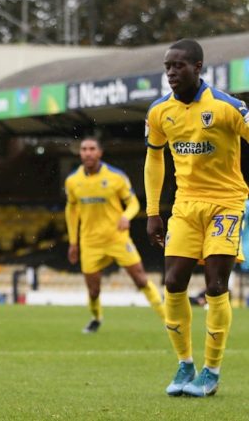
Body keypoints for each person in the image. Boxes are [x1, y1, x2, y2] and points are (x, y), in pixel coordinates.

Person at [145, 38, 248, 397]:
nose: (171, 72)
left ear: (198, 67)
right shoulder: (160, 112)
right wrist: (153, 211)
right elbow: (155, 159)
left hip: (226, 203)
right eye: (167, 67)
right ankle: (185, 364)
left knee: (216, 285)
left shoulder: (227, 107)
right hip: (185, 206)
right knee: (173, 282)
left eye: (179, 66)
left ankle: (212, 371)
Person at [64, 137, 165, 334]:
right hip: (90, 242)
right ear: (80, 153)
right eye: (84, 149)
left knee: (140, 279)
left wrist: (127, 216)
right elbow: (71, 211)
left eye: (92, 148)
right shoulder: (72, 181)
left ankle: (168, 319)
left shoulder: (116, 177)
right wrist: (73, 242)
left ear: (100, 152)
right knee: (93, 290)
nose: (88, 152)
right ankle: (96, 318)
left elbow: (134, 203)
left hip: (117, 238)